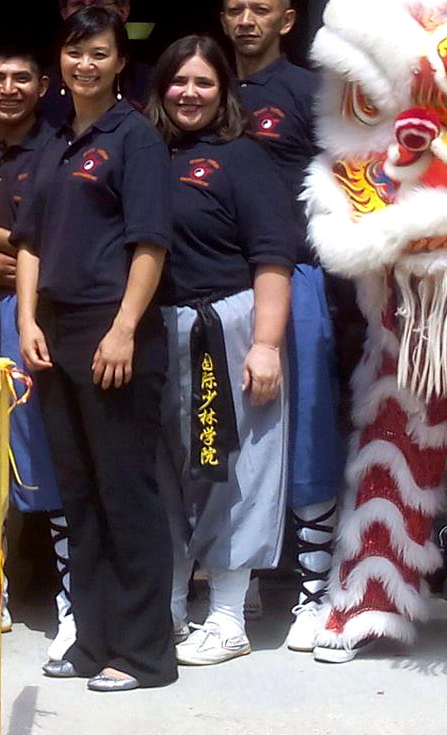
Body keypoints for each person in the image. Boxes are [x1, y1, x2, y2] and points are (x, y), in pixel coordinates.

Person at [12, 6, 176, 693]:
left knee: (125, 495)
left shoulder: (132, 137)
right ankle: (94, 640)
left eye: (100, 54)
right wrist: (26, 320)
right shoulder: (56, 138)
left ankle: (143, 655)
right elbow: (29, 241)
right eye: (76, 53)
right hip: (55, 331)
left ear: (118, 64)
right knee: (78, 496)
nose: (85, 64)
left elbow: (149, 243)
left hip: (113, 336)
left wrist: (123, 328)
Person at [148, 35, 299, 666]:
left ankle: (230, 615)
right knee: (165, 472)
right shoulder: (146, 152)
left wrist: (264, 344)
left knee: (235, 469)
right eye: (179, 82)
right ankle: (174, 608)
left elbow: (273, 258)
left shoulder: (242, 159)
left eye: (204, 83)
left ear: (224, 91)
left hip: (228, 328)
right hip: (157, 329)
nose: (190, 94)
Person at [220, 0, 344, 652]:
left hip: (294, 279)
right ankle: (233, 585)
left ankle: (311, 593)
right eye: (235, 10)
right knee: (230, 438)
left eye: (258, 10)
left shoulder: (308, 95)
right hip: (216, 282)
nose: (245, 21)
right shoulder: (202, 87)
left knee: (305, 435)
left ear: (285, 19)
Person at [0, 41, 74, 658]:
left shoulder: (64, 146)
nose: (8, 87)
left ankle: (73, 594)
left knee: (46, 445)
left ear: (42, 84)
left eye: (21, 76)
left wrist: (29, 258)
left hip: (43, 316)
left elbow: (79, 224)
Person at [40, 0, 152, 125]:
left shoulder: (151, 82)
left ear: (123, 11)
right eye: (78, 5)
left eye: (97, 5)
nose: (88, 13)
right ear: (63, 12)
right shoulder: (42, 85)